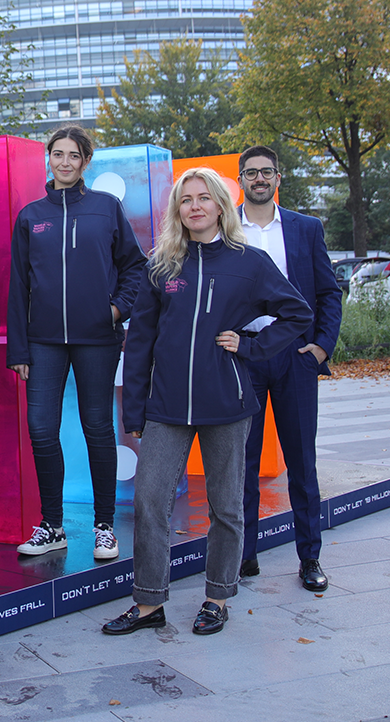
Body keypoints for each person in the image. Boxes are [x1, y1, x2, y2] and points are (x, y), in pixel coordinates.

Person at [102, 168, 311, 638]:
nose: (194, 206)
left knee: (226, 507)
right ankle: (148, 603)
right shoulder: (162, 265)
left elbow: (299, 313)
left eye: (203, 198)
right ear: (178, 210)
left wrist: (252, 348)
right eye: (185, 199)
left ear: (219, 205)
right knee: (151, 502)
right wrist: (133, 409)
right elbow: (139, 345)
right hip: (167, 408)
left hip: (227, 405)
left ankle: (217, 596)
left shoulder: (248, 262)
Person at [6, 125, 147, 558]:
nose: (64, 162)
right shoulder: (31, 215)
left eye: (74, 155)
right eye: (58, 154)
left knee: (98, 429)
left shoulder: (106, 209)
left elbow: (135, 268)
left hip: (98, 340)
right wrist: (19, 349)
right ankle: (52, 526)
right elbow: (18, 286)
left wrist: (115, 310)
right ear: (48, 158)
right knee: (42, 430)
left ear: (86, 163)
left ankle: (104, 526)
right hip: (44, 341)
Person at [233, 145, 343, 593]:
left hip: (296, 357)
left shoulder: (305, 228)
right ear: (239, 179)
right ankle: (245, 558)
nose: (259, 178)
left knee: (302, 462)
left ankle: (309, 558)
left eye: (267, 172)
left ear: (278, 177)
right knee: (242, 464)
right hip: (243, 357)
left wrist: (320, 348)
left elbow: (329, 293)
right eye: (251, 172)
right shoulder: (225, 229)